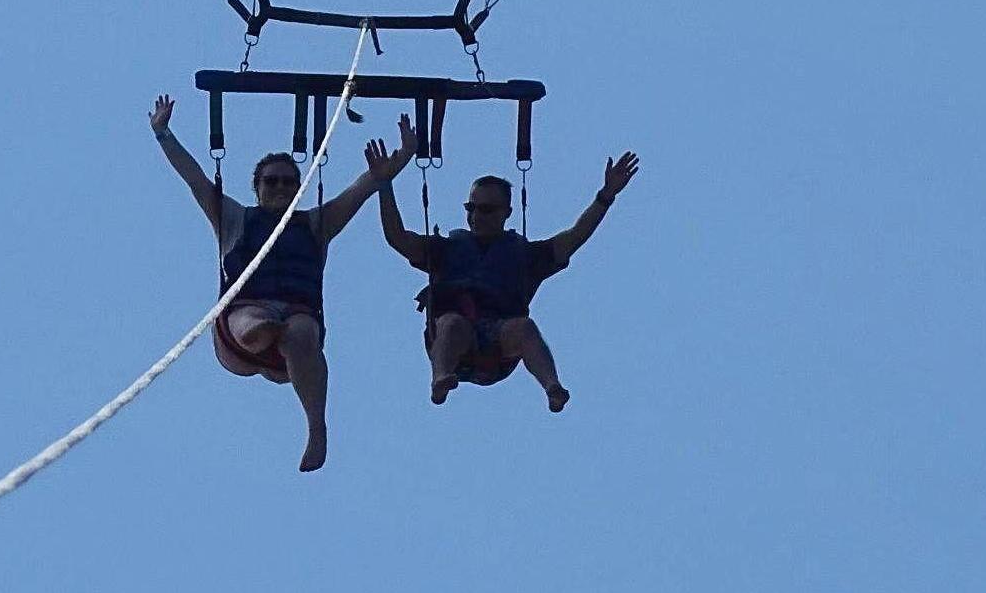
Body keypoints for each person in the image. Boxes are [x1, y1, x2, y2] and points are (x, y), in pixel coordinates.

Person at [151, 95, 414, 472]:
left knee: (300, 330)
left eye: (289, 182)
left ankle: (316, 428)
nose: (280, 188)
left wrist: (400, 160)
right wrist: (163, 133)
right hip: (241, 328)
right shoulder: (234, 218)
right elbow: (195, 179)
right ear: (256, 187)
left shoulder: (316, 224)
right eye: (271, 182)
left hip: (296, 333)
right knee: (255, 319)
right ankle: (261, 332)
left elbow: (365, 186)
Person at [374, 138, 639, 411]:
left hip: (499, 346)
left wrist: (605, 196)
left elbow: (573, 238)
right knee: (452, 323)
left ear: (507, 213)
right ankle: (440, 378)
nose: (477, 215)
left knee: (525, 327)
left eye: (486, 209)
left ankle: (552, 387)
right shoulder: (447, 249)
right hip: (454, 338)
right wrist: (384, 184)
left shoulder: (524, 256)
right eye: (471, 208)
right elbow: (398, 238)